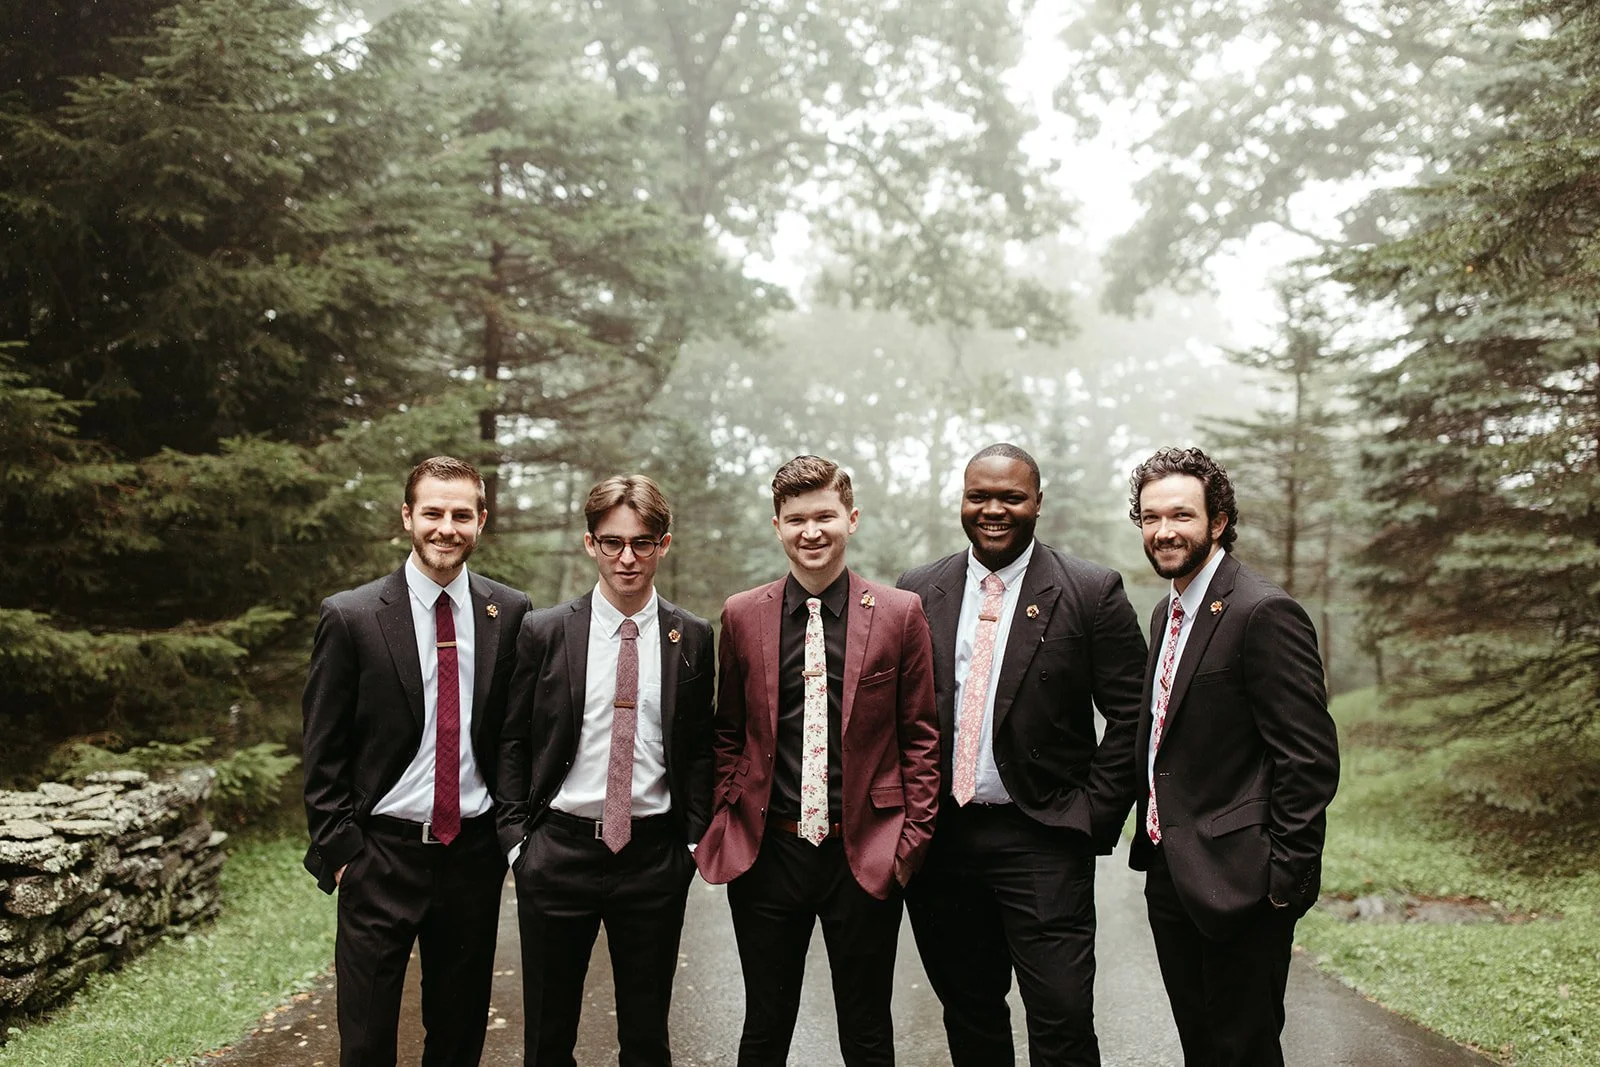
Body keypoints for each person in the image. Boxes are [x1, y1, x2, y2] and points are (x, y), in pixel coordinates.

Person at [896, 442, 1148, 1067]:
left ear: (1038, 503)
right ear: (961, 500)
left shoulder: (1090, 591)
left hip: (1042, 834)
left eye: (1011, 497)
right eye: (979, 496)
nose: (994, 510)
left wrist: (1091, 812)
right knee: (970, 1012)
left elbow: (1132, 715)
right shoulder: (916, 590)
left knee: (1061, 1016)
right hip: (942, 840)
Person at [694, 455, 940, 1067]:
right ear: (776, 525)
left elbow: (921, 738)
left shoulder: (899, 613)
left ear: (850, 519)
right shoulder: (742, 614)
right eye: (796, 519)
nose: (812, 531)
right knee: (764, 1026)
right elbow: (728, 732)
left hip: (864, 851)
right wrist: (728, 814)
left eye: (825, 516)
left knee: (866, 1031)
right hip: (767, 852)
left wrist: (908, 846)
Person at [302, 456, 532, 1067]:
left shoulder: (510, 613)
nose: (446, 528)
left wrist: (509, 838)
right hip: (379, 856)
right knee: (368, 1042)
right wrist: (344, 852)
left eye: (462, 514)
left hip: (472, 859)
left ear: (481, 521)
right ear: (408, 516)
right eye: (432, 512)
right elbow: (322, 749)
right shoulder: (351, 616)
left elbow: (514, 737)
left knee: (457, 1041)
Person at [1126, 446, 1340, 1066]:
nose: (1164, 530)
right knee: (1201, 1046)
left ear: (1217, 522)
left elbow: (1309, 758)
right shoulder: (1165, 613)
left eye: (1181, 515)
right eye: (1150, 517)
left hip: (1242, 879)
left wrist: (1283, 883)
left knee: (1242, 1050)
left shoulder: (1262, 611)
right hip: (1171, 872)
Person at [495, 474, 714, 1067]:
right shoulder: (543, 631)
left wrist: (692, 841)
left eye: (642, 543)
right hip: (558, 851)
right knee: (547, 1036)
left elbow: (697, 748)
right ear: (589, 543)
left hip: (652, 857)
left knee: (646, 1039)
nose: (627, 557)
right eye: (611, 541)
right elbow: (513, 739)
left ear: (663, 545)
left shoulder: (691, 636)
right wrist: (519, 842)